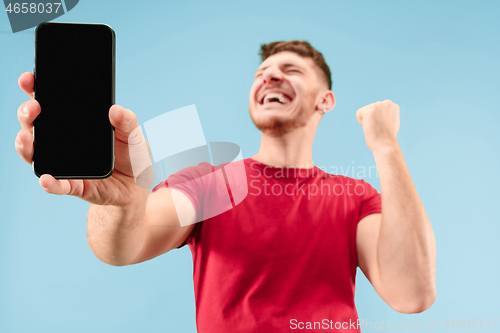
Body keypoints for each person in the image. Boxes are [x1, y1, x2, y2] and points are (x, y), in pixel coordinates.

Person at [15, 40, 436, 332]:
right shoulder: (211, 182)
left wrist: (385, 144)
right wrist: (123, 203)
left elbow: (411, 293)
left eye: (290, 70)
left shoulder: (355, 198)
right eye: (262, 73)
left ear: (325, 100)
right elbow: (122, 248)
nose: (271, 77)